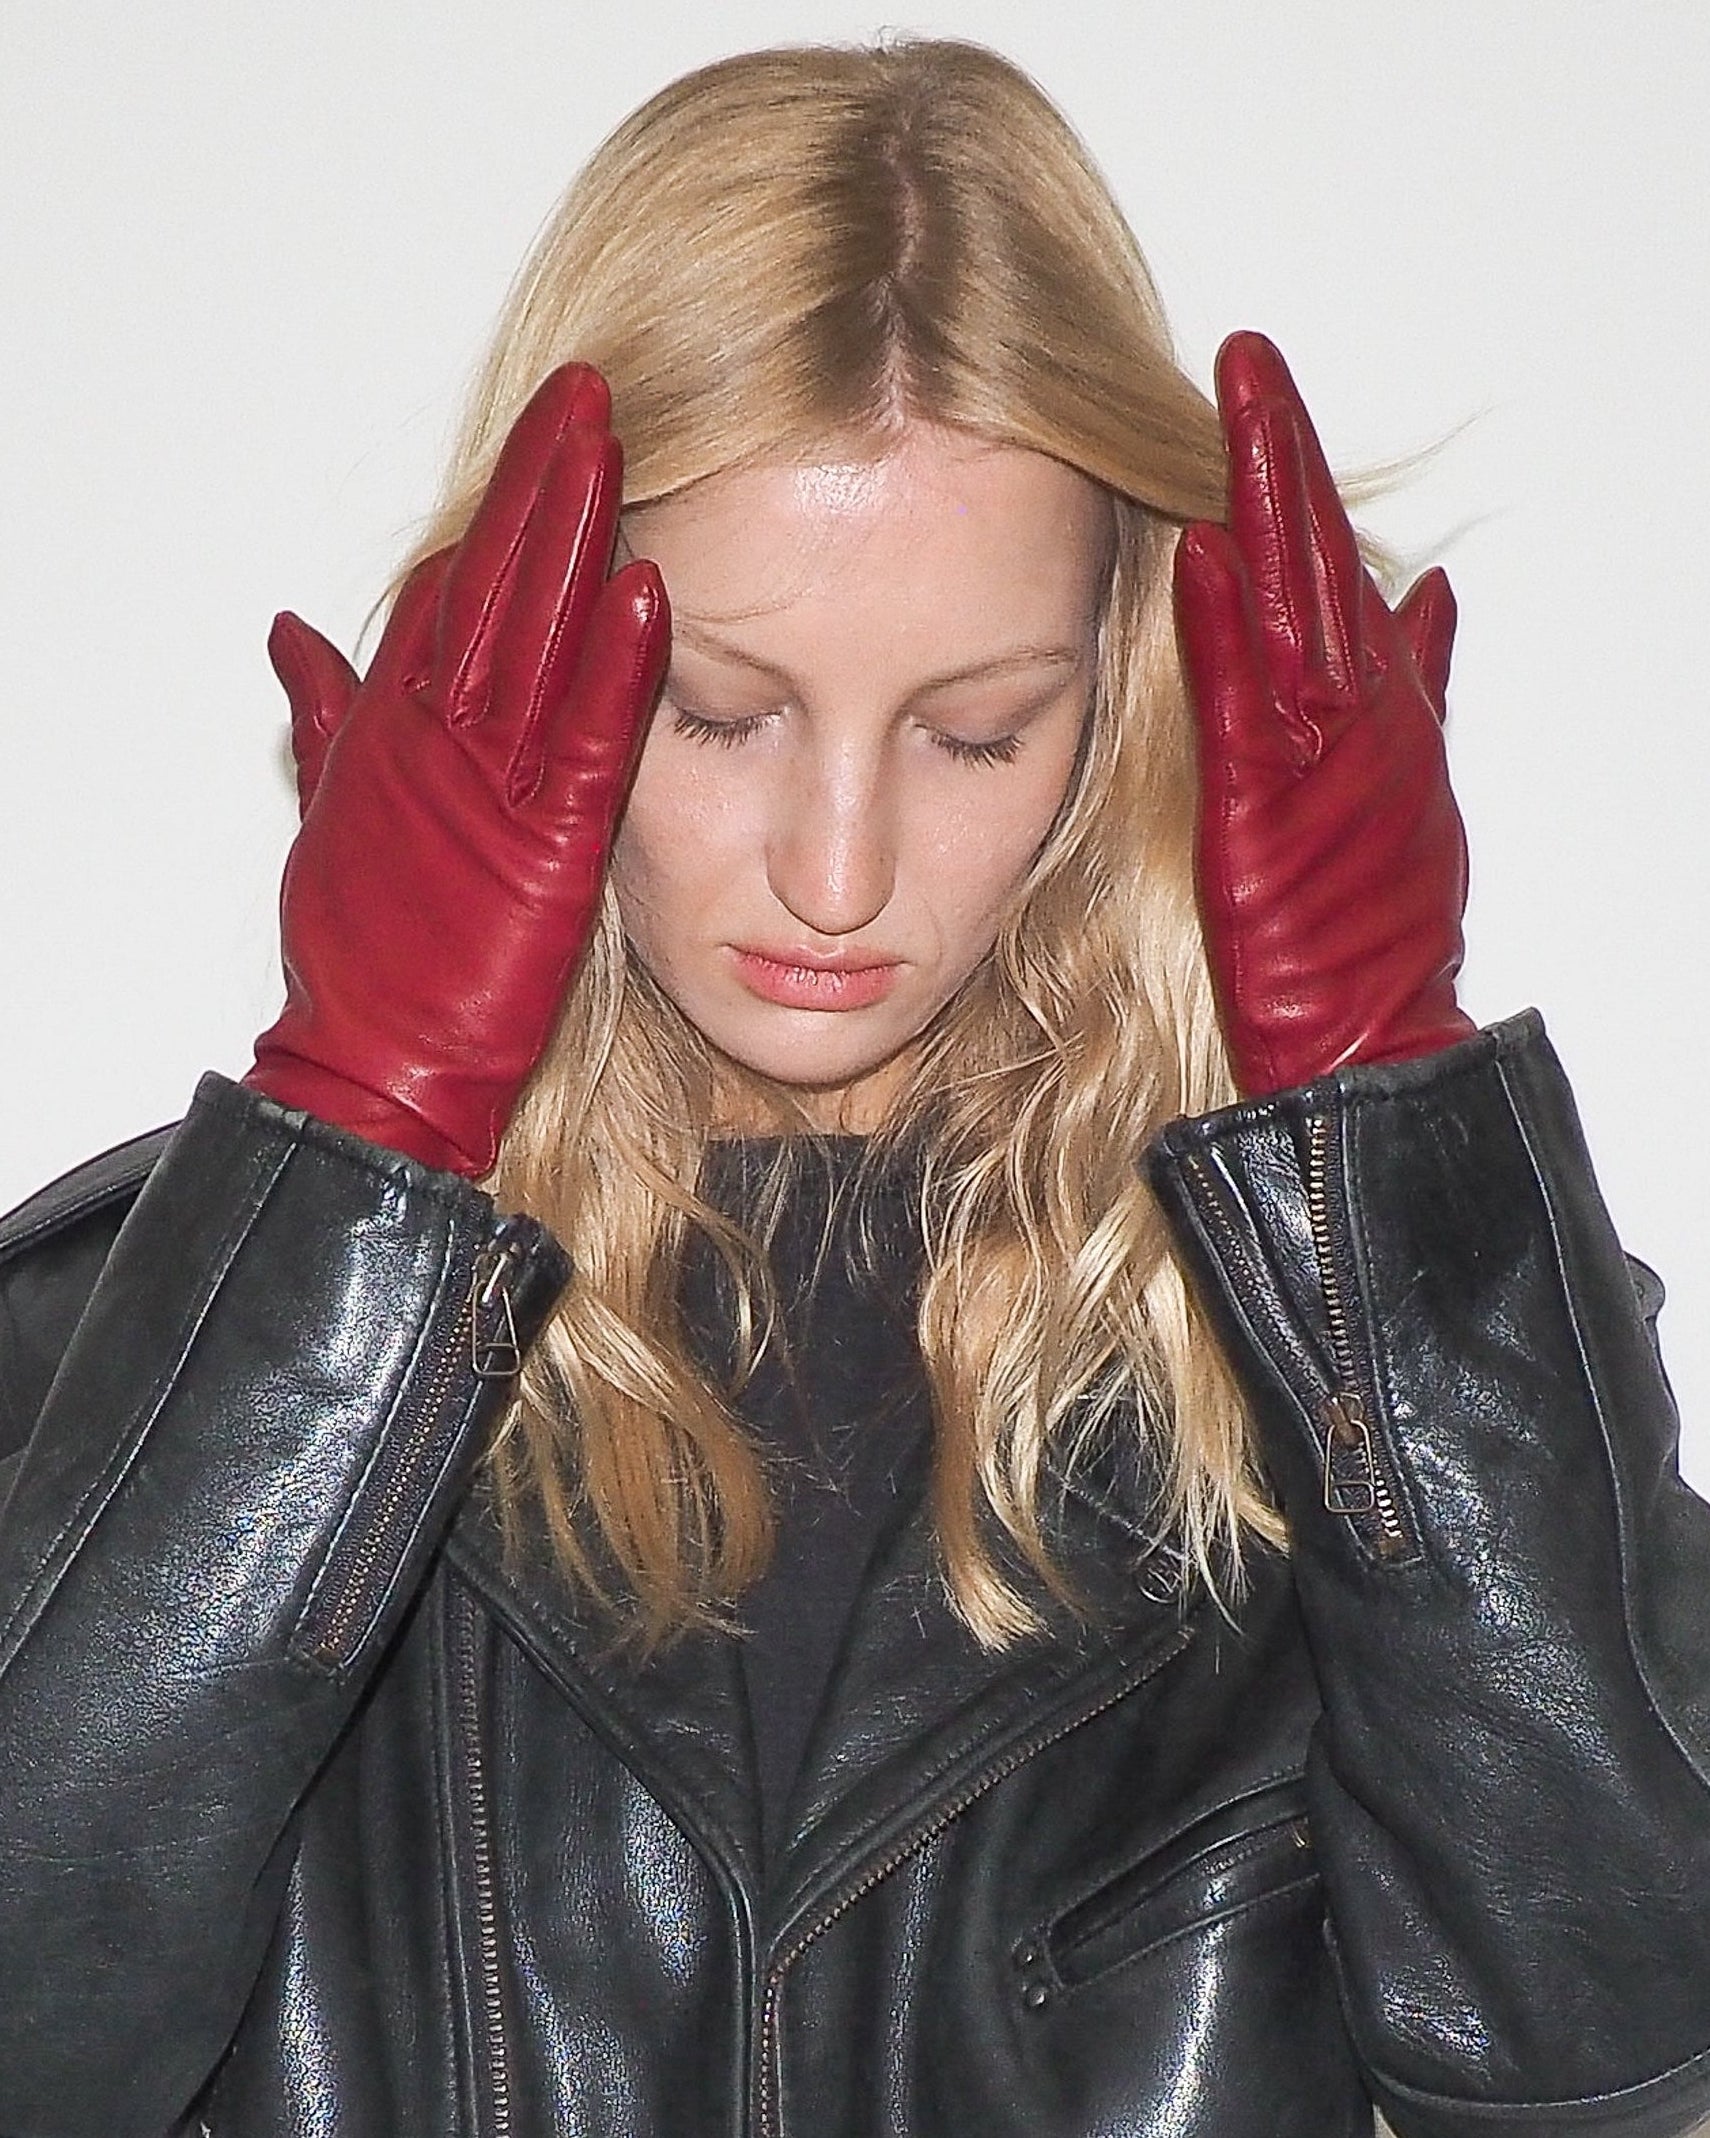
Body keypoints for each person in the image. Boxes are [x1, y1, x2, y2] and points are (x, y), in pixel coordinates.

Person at [1, 34, 1707, 2138]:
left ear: (1116, 705)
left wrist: (1388, 1114)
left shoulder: (1353, 1391)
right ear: (534, 666)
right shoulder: (165, 1368)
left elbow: (1622, 2055)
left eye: (976, 729)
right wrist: (363, 1126)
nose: (838, 868)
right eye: (721, 712)